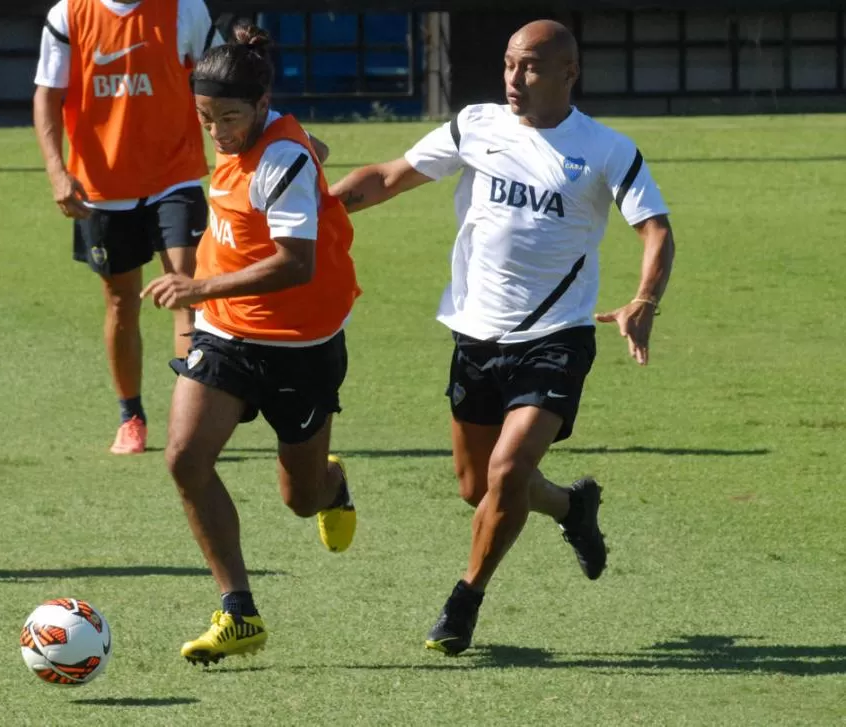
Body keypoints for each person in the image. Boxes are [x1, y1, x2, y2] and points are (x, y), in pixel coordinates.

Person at [329, 19, 675, 655]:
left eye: (532, 68)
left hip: (557, 333)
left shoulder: (605, 149)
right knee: (479, 486)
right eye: (510, 64)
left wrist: (643, 300)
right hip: (476, 334)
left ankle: (464, 601)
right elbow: (387, 176)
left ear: (569, 74)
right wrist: (318, 208)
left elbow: (655, 230)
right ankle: (572, 507)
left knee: (509, 470)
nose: (515, 79)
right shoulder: (476, 125)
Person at [140, 23, 360, 666]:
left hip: (300, 343)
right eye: (206, 117)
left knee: (300, 499)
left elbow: (296, 263)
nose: (217, 132)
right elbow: (310, 141)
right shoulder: (257, 131)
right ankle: (238, 612)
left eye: (229, 118)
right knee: (184, 458)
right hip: (229, 330)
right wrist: (210, 298)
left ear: (262, 107)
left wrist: (198, 283)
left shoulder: (281, 157)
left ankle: (333, 483)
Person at [33, 0, 223, 454]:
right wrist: (57, 172)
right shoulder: (69, 15)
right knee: (121, 301)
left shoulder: (184, 9)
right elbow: (48, 94)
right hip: (101, 186)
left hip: (174, 176)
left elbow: (219, 77)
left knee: (187, 289)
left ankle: (188, 419)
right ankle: (131, 416)